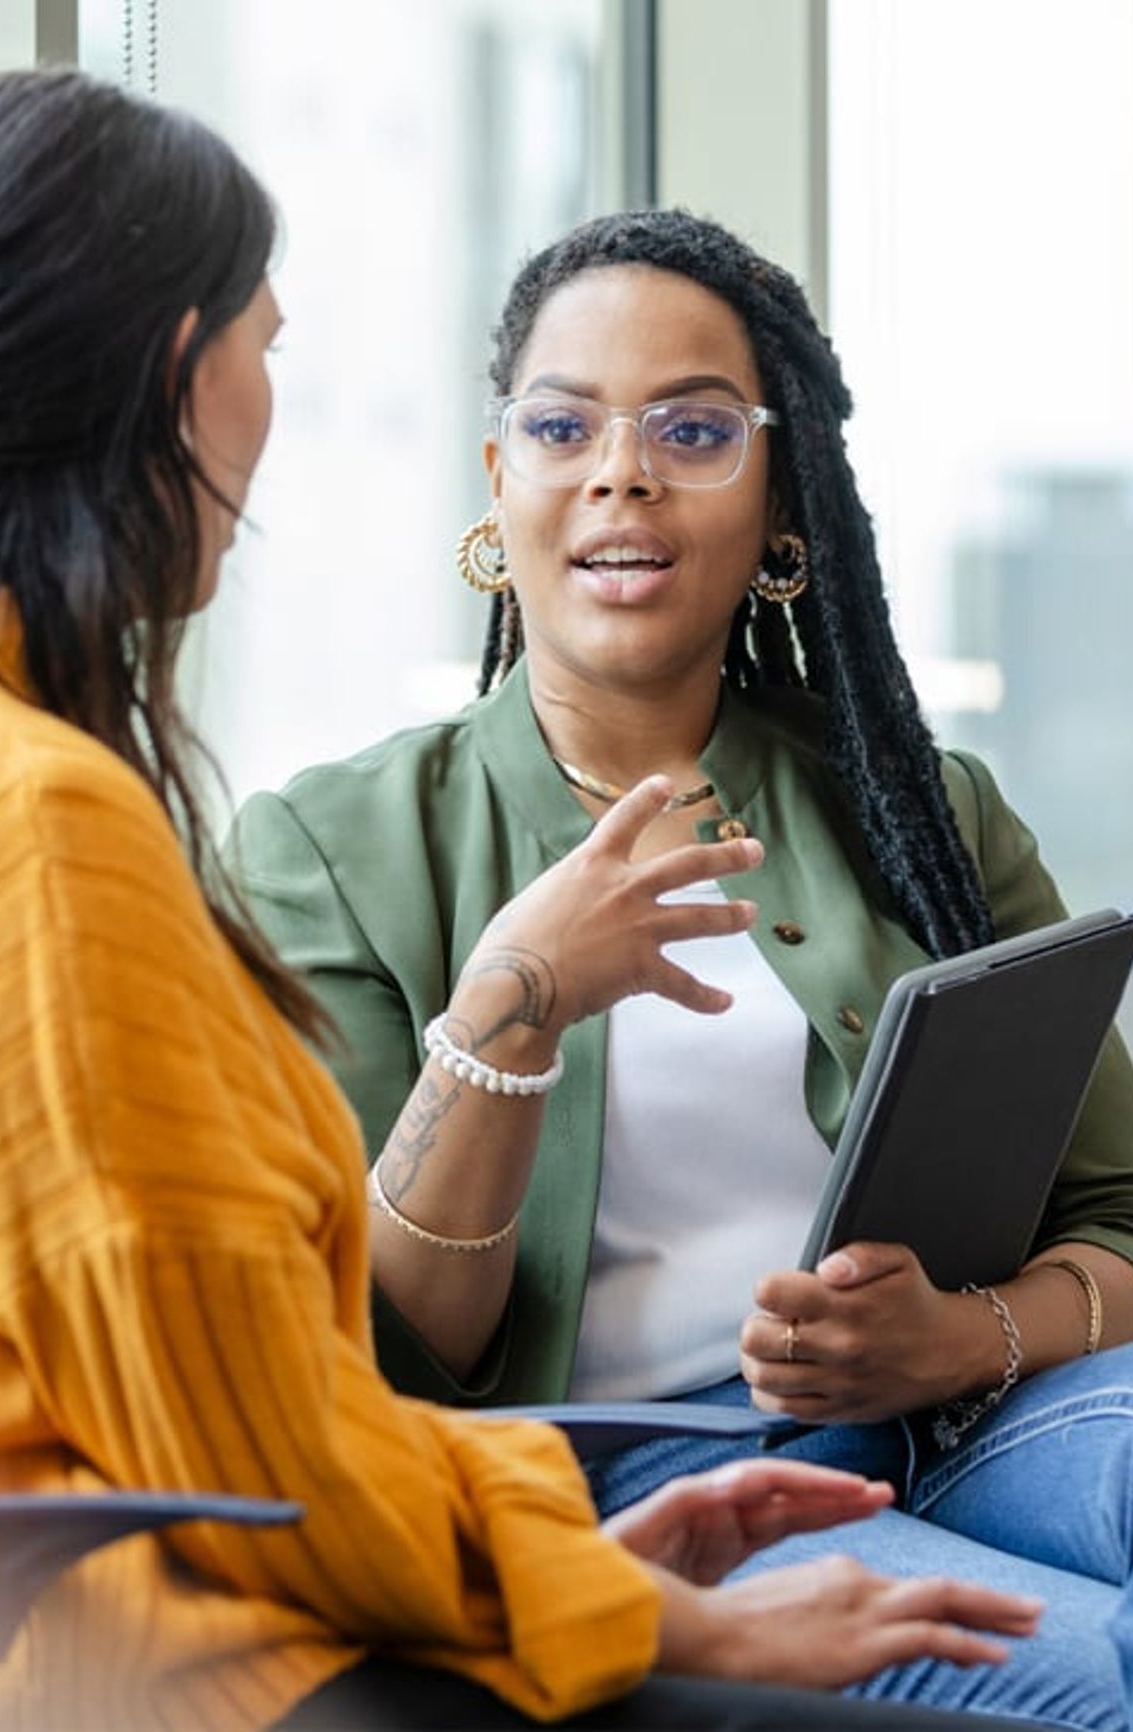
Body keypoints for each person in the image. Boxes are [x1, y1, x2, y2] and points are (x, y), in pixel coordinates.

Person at [0, 70, 1048, 1732]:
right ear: (172, 379)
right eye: (265, 339)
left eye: (691, 428)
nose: (275, 399)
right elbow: (250, 1452)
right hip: (162, 1668)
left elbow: (235, 1412)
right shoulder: (25, 826)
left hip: (138, 1610)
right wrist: (634, 1599)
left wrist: (560, 1532)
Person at [229, 207, 1133, 1729]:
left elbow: (1117, 1211)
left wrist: (957, 1337)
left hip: (986, 1410)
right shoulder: (327, 847)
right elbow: (390, 1352)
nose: (621, 470)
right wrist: (510, 1000)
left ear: (783, 504)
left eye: (695, 428)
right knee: (1084, 1683)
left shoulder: (926, 812)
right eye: (562, 424)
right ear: (498, 484)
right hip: (640, 1469)